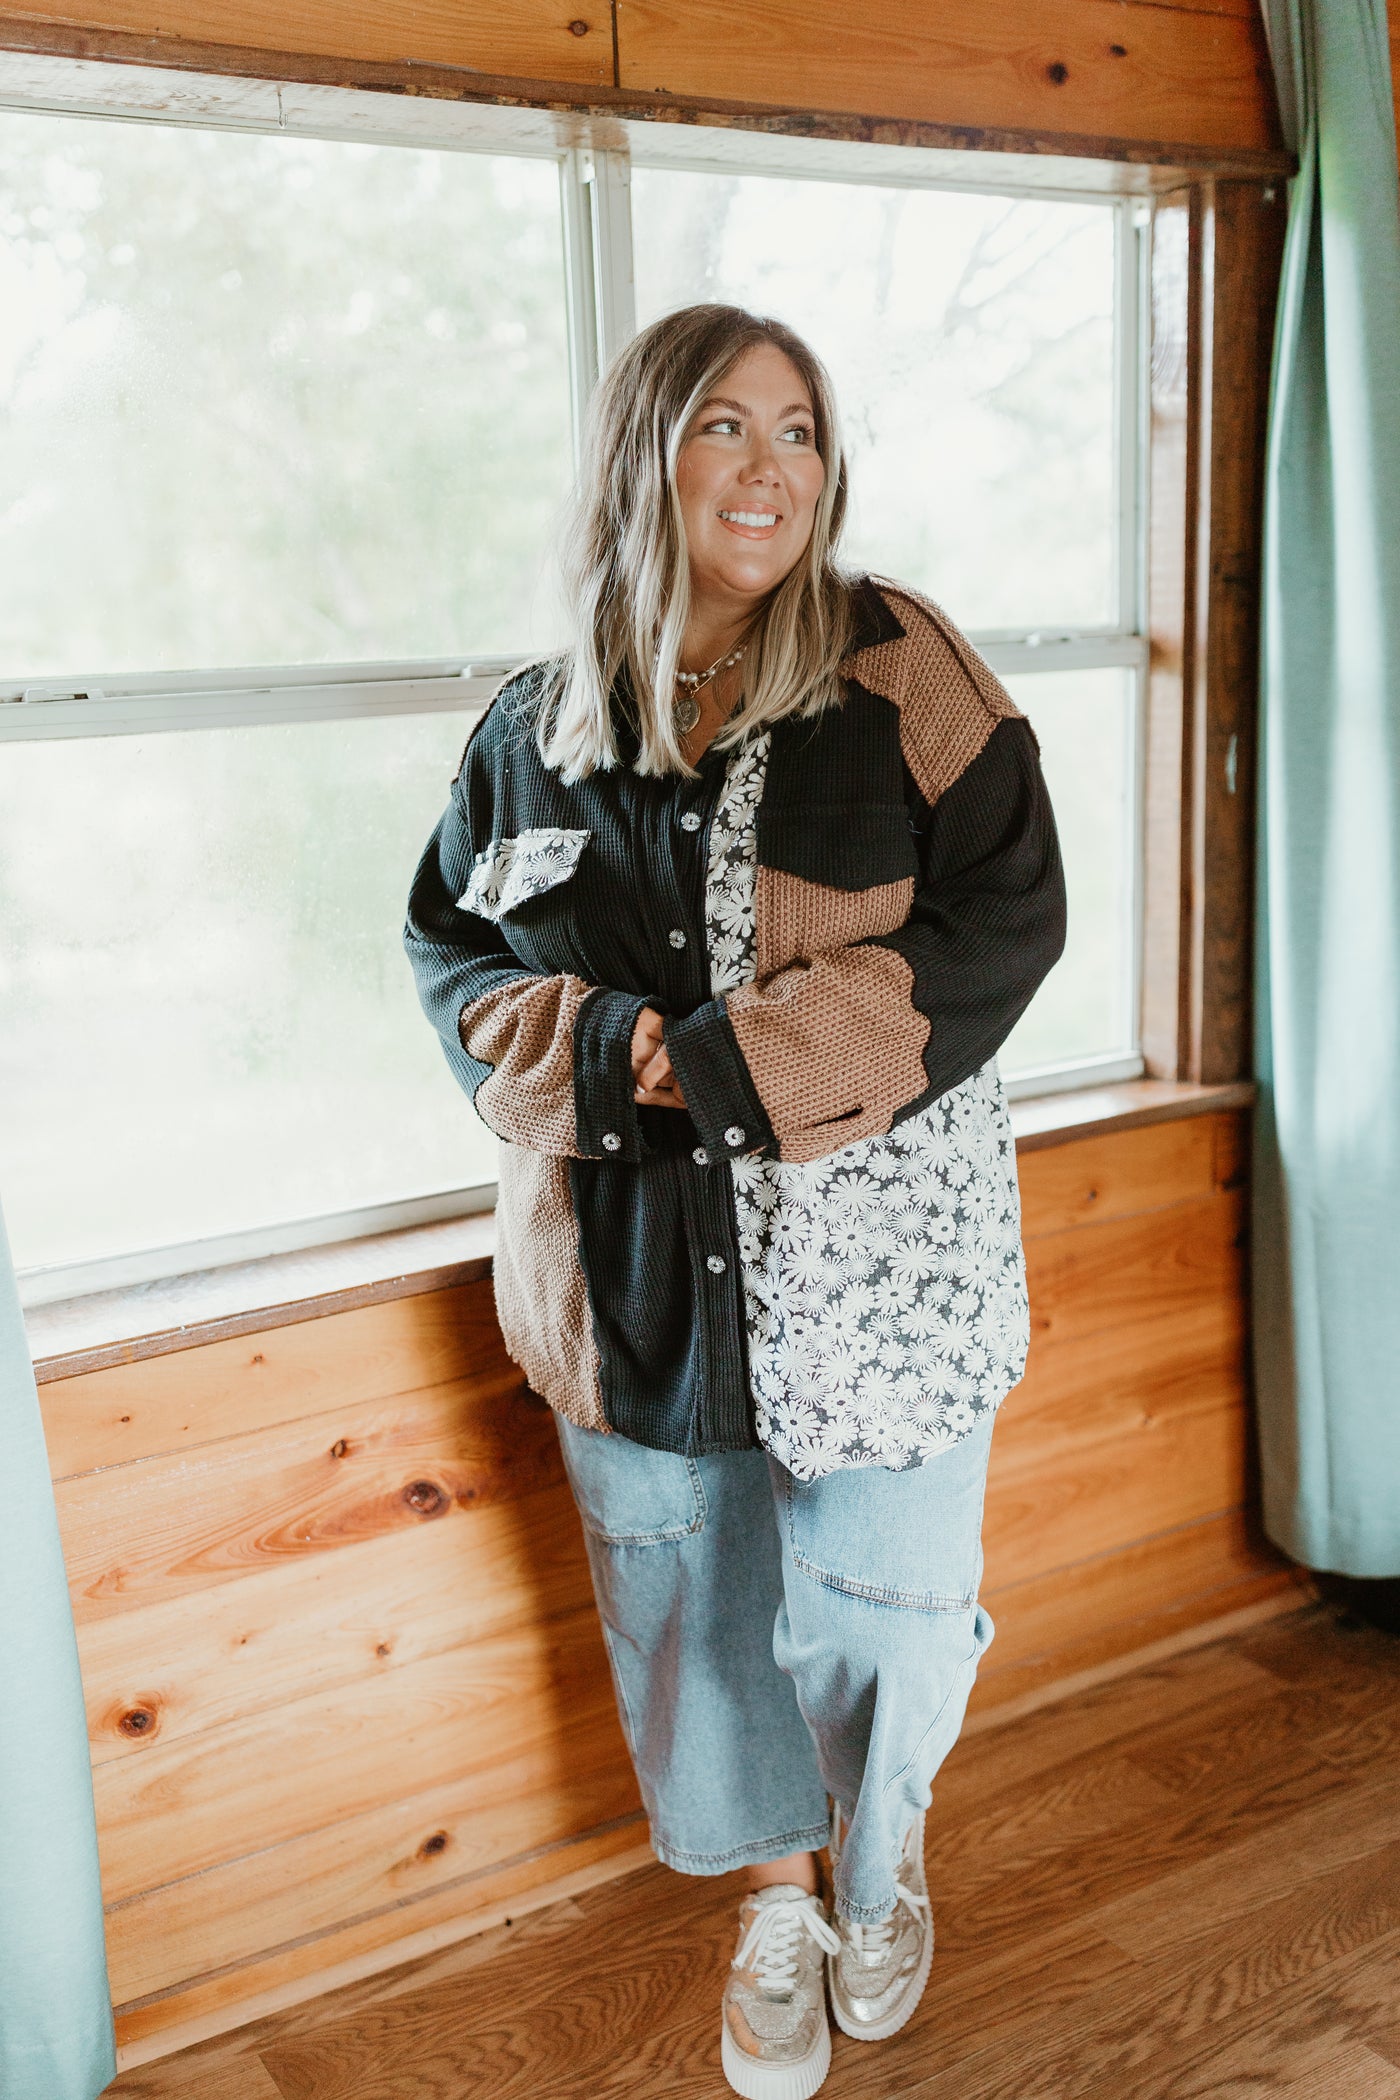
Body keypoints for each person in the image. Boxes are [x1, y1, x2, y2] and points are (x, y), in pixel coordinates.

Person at [405, 302, 1066, 2099]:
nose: (771, 467)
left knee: (883, 1602)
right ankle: (773, 1903)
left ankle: (880, 1854)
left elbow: (1007, 921)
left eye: (800, 430)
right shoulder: (531, 729)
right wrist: (598, 1047)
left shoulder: (898, 665)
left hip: (883, 1252)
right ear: (647, 453)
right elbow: (450, 954)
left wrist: (717, 1067)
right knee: (689, 1600)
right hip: (628, 1268)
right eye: (725, 426)